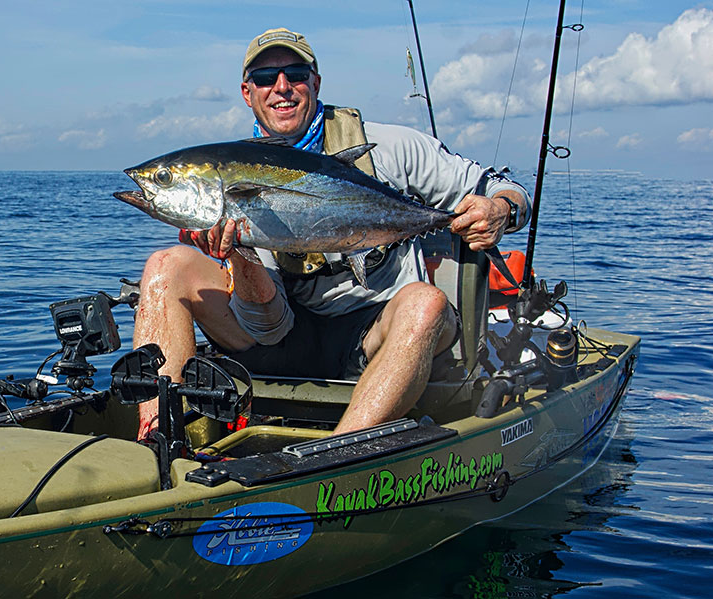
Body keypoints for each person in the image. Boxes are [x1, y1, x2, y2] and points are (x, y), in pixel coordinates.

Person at [132, 27, 530, 440]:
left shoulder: (390, 147)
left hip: (379, 330)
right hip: (288, 335)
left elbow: (503, 188)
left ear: (316, 83)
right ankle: (157, 437)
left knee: (426, 304)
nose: (281, 88)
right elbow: (269, 327)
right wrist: (238, 255)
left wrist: (502, 209)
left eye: (295, 74)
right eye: (265, 78)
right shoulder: (240, 171)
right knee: (166, 267)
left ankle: (339, 453)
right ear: (247, 93)